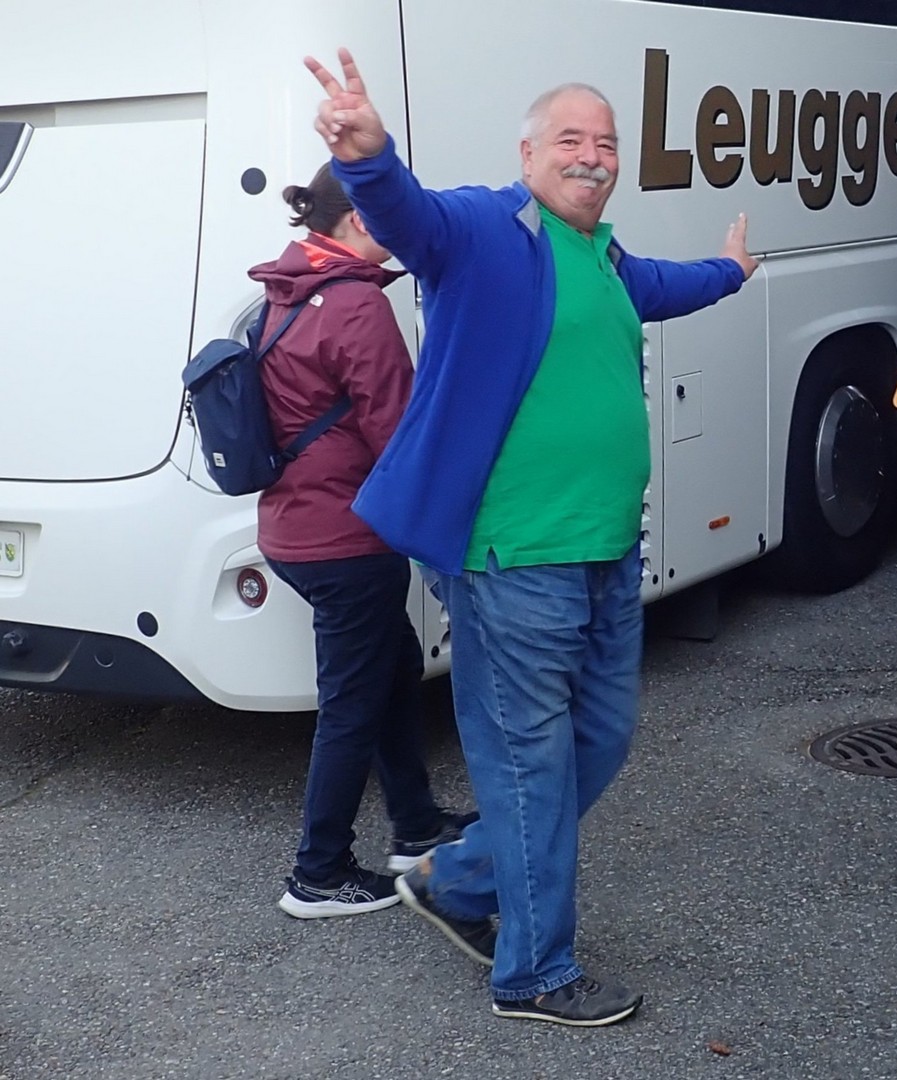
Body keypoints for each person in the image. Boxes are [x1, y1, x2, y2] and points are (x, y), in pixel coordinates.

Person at [305, 49, 758, 1026]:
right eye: (570, 139)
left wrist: (731, 271)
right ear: (528, 153)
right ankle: (535, 972)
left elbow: (665, 284)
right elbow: (410, 219)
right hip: (514, 559)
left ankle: (460, 880)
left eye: (607, 143)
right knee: (530, 766)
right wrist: (369, 157)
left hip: (606, 552)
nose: (592, 157)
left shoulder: (603, 256)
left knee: (602, 737)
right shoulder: (486, 230)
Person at [252, 163, 475, 919]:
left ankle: (415, 826)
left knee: (393, 666)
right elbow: (398, 431)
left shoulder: (287, 291)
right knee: (352, 701)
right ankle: (318, 874)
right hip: (344, 537)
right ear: (358, 219)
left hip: (295, 526)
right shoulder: (354, 304)